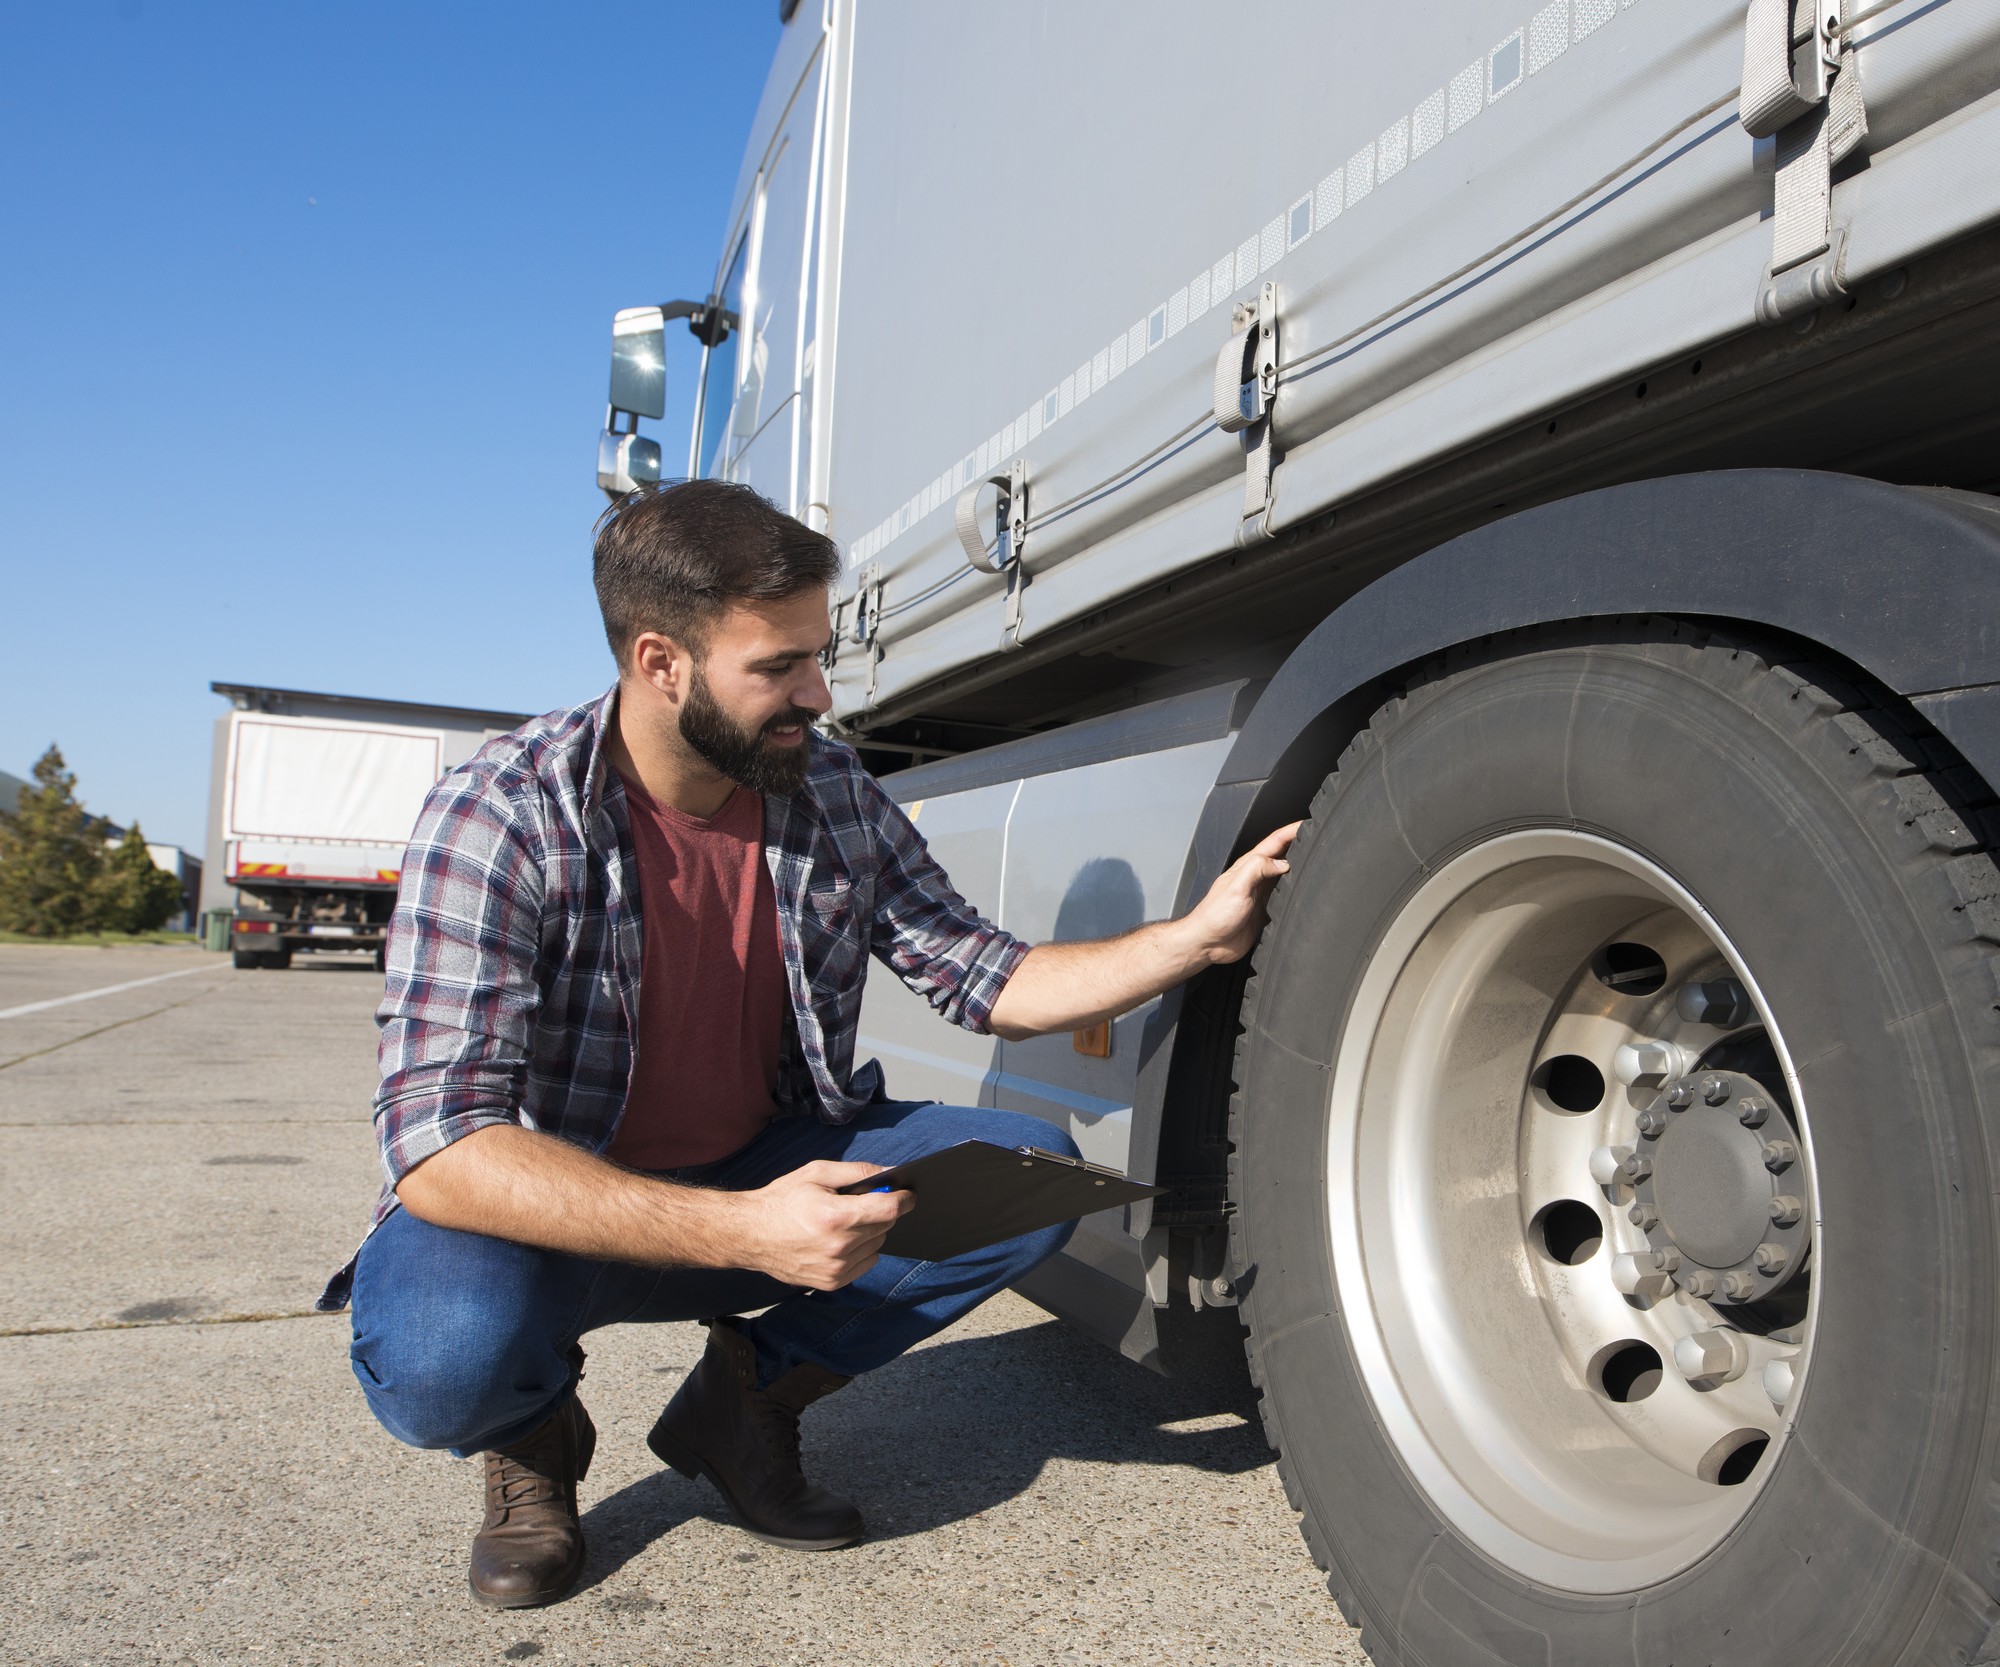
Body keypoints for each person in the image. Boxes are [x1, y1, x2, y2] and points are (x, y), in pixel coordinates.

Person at [319, 479, 1300, 1609]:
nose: (817, 693)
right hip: (557, 1202)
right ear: (659, 663)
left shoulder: (827, 790)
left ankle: (746, 1404)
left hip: (760, 1158)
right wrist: (746, 1228)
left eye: (815, 655)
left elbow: (988, 977)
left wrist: (1193, 937)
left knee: (1027, 1174)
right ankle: (530, 1434)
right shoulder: (503, 810)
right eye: (776, 667)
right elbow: (440, 1141)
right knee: (443, 1353)